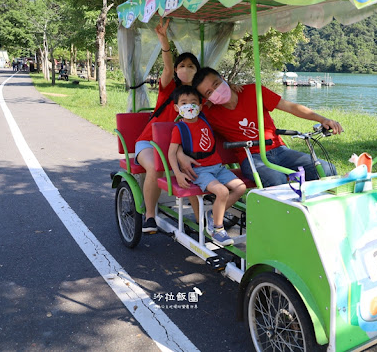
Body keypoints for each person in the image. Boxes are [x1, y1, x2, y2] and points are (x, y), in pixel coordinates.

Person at [188, 67, 343, 188]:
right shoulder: (208, 112)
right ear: (206, 98)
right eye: (209, 92)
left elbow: (291, 107)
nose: (216, 92)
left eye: (216, 84)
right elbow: (185, 111)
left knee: (325, 168)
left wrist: (322, 119)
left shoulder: (253, 91)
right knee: (277, 179)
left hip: (280, 150)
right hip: (250, 158)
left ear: (223, 78)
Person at [134, 18, 201, 234]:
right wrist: (164, 41)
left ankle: (202, 220)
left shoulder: (201, 99)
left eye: (191, 66)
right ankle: (150, 215)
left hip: (179, 147)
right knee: (155, 165)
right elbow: (168, 68)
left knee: (191, 166)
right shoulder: (169, 88)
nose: (186, 69)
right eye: (183, 65)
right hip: (149, 142)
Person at [167, 85, 246, 246]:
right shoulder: (180, 128)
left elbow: (214, 95)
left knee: (241, 188)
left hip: (218, 167)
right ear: (176, 107)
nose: (189, 106)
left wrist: (229, 85)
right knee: (222, 191)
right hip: (200, 171)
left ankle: (213, 214)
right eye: (183, 103)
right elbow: (171, 152)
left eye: (193, 102)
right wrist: (178, 172)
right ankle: (217, 229)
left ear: (201, 105)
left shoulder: (204, 118)